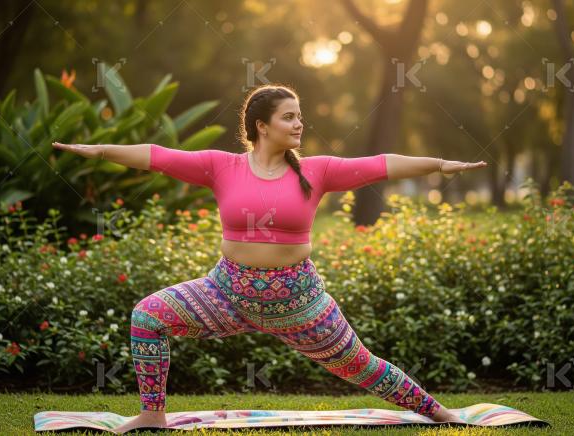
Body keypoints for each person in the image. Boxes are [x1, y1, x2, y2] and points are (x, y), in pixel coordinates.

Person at [52, 84, 487, 433]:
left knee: (360, 366)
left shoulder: (317, 171)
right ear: (262, 126)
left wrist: (439, 165)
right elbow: (158, 157)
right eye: (289, 116)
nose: (300, 123)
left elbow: (380, 164)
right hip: (226, 293)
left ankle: (440, 413)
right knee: (147, 317)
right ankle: (152, 415)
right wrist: (101, 151)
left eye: (299, 116)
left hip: (299, 302)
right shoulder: (221, 166)